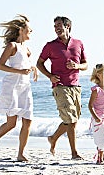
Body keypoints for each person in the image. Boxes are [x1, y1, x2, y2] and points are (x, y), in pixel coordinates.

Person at [0, 15, 38, 162]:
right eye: (29, 28)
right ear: (21, 30)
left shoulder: (27, 49)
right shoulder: (12, 46)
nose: (31, 31)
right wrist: (20, 72)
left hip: (25, 87)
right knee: (11, 123)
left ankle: (21, 154)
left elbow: (25, 64)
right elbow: (0, 65)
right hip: (12, 87)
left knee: (28, 120)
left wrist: (33, 68)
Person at [36, 16, 87, 160]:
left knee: (73, 120)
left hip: (75, 86)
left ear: (68, 26)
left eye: (59, 25)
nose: (56, 28)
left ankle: (53, 138)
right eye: (55, 26)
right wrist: (49, 76)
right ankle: (74, 153)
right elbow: (39, 63)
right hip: (60, 86)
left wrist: (77, 66)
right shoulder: (50, 46)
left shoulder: (78, 43)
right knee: (70, 120)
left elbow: (85, 64)